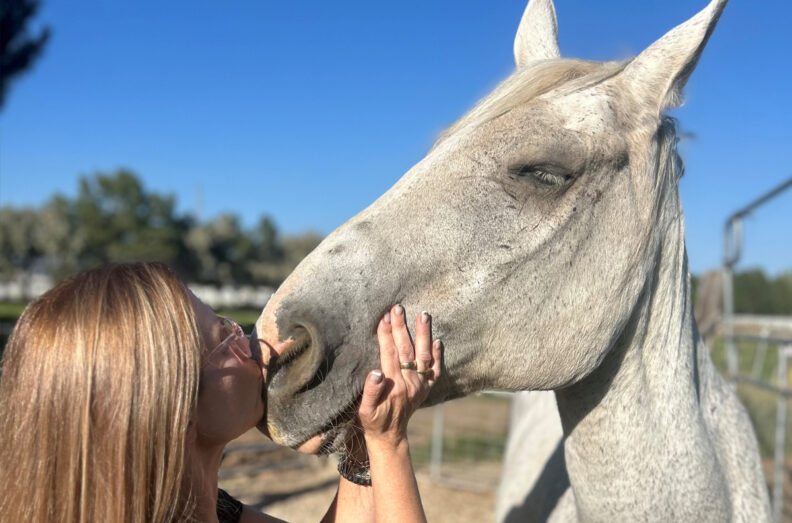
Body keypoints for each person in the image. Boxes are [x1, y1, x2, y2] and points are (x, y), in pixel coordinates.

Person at [0, 262, 442, 522]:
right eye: (223, 339)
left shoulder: (202, 508)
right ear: (166, 405)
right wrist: (391, 444)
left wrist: (366, 440)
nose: (251, 344)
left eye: (232, 325)